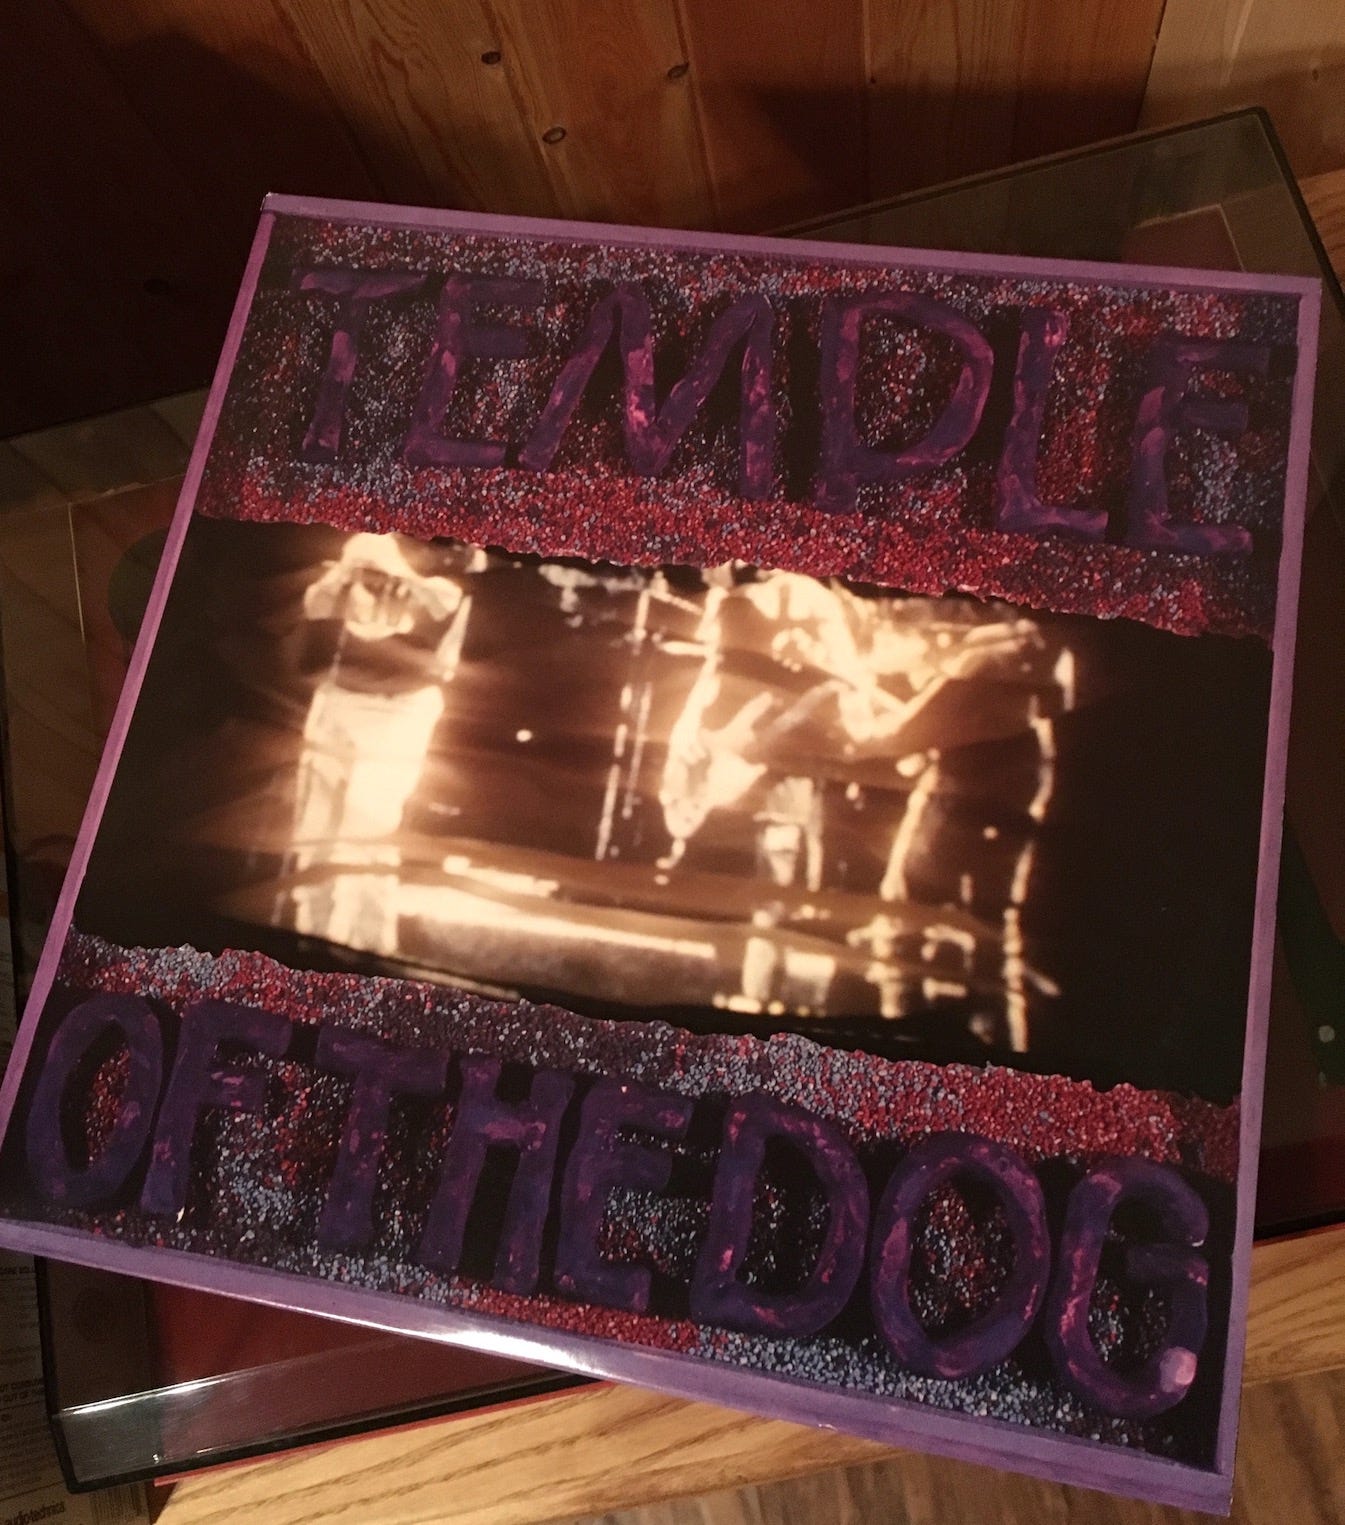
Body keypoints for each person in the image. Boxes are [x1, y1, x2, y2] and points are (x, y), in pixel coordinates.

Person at [288, 532, 470, 956]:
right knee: (315, 830)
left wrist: (396, 569)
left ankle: (363, 947)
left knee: (366, 831)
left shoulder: (441, 568)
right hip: (337, 701)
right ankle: (308, 936)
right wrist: (346, 572)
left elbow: (443, 603)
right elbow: (315, 606)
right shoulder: (354, 566)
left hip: (399, 710)